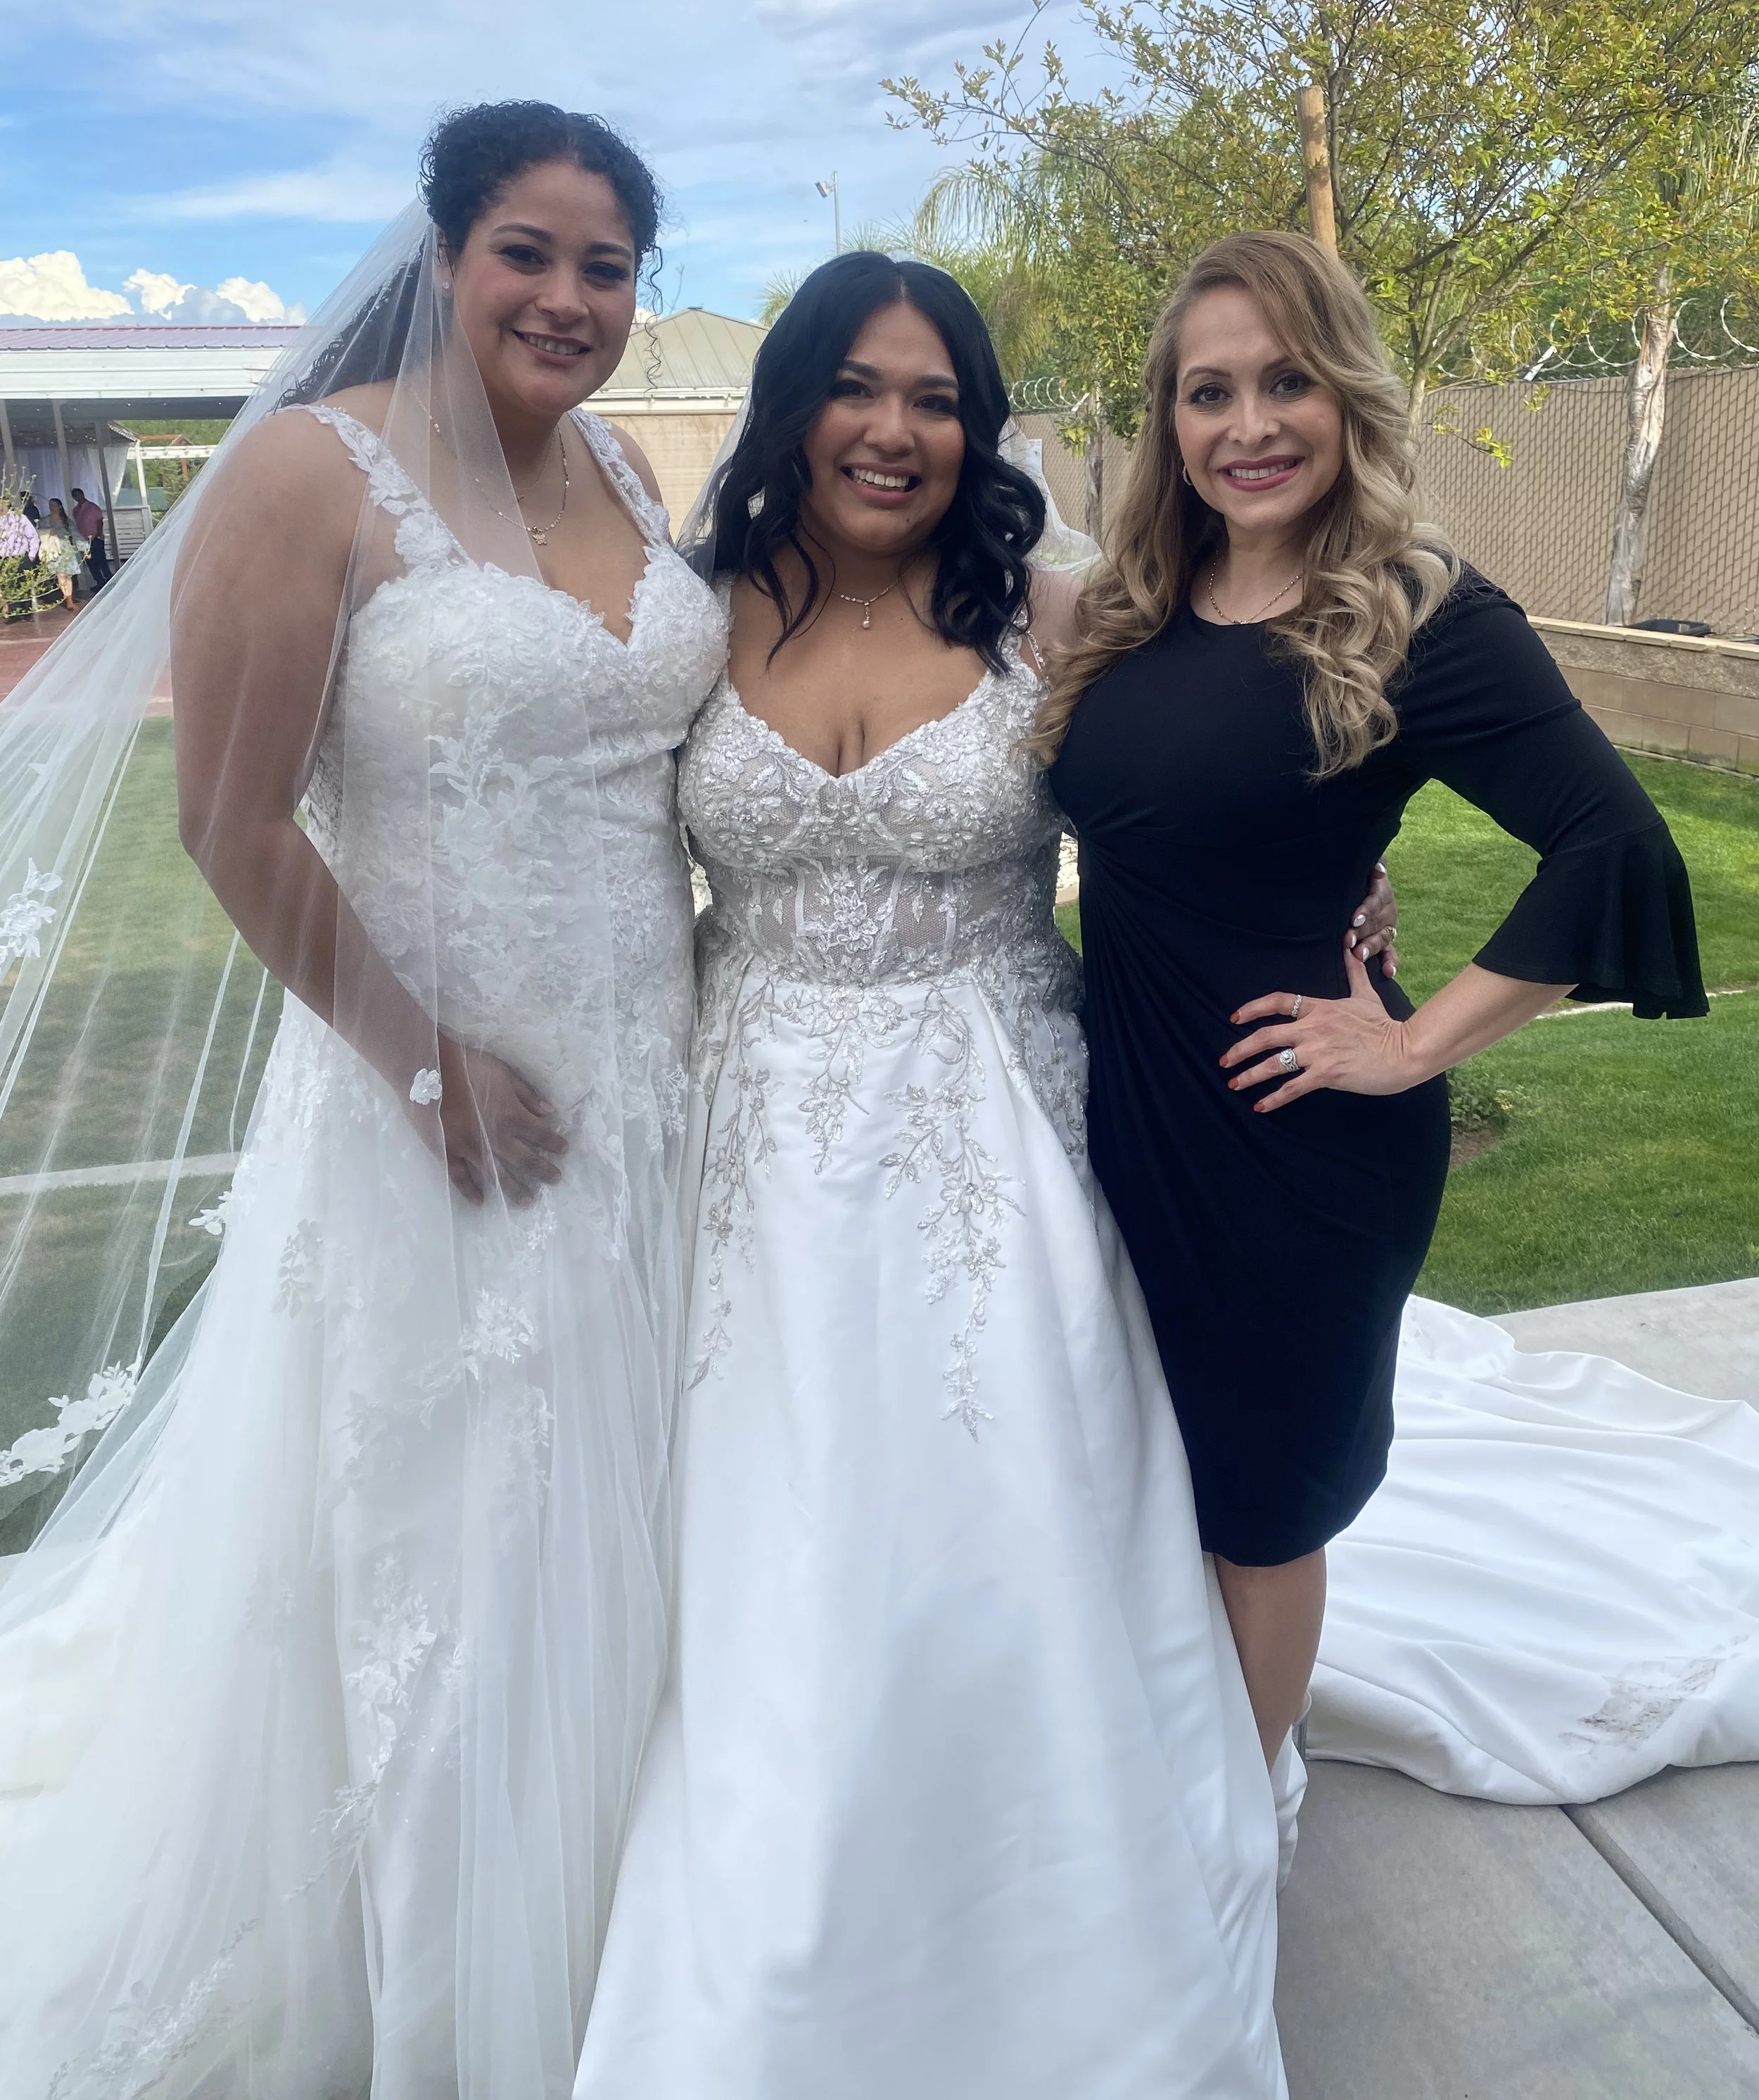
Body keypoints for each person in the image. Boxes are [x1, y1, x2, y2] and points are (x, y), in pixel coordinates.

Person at [573, 255, 1385, 2100]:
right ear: (790, 405)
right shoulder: (690, 614)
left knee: (1023, 1498)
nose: (894, 428)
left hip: (1004, 1129)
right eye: (856, 388)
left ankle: (1091, 1860)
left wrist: (1334, 899)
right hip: (746, 1134)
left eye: (935, 396)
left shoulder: (1059, 611)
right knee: (773, 1525)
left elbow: (1241, 766)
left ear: (979, 421)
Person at [0, 101, 725, 2096]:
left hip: (654, 1097)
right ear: (441, 250)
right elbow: (227, 824)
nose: (568, 297)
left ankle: (671, 1949)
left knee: (646, 1527)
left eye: (605, 263)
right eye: (528, 250)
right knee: (470, 1563)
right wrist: (422, 1066)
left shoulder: (627, 469)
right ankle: (476, 1982)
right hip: (440, 1119)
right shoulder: (307, 480)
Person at [1039, 231, 1708, 1773]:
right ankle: (1162, 1777)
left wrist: (1411, 1040)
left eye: (1285, 381)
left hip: (1295, 1138)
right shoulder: (1135, 606)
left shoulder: (1412, 611)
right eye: (1207, 391)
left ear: (1343, 393)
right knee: (1155, 1484)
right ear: (1165, 420)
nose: (1248, 423)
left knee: (1259, 1513)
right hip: (1124, 1117)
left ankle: (1232, 1825)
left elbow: (1612, 844)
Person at [37, 498, 80, 608]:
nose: (51, 508)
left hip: (66, 549)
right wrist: (48, 532)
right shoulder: (45, 521)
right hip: (54, 549)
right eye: (50, 506)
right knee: (60, 575)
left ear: (59, 507)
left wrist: (84, 548)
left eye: (53, 505)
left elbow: (75, 534)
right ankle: (68, 599)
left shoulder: (66, 520)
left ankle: (70, 598)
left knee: (68, 575)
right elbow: (38, 532)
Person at [70, 489, 110, 588]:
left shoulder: (92, 508)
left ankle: (109, 580)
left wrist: (99, 534)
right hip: (83, 540)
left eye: (79, 495)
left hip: (95, 538)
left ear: (83, 494)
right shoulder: (76, 510)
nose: (77, 497)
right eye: (75, 496)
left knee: (101, 560)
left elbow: (100, 521)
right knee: (91, 563)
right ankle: (99, 582)